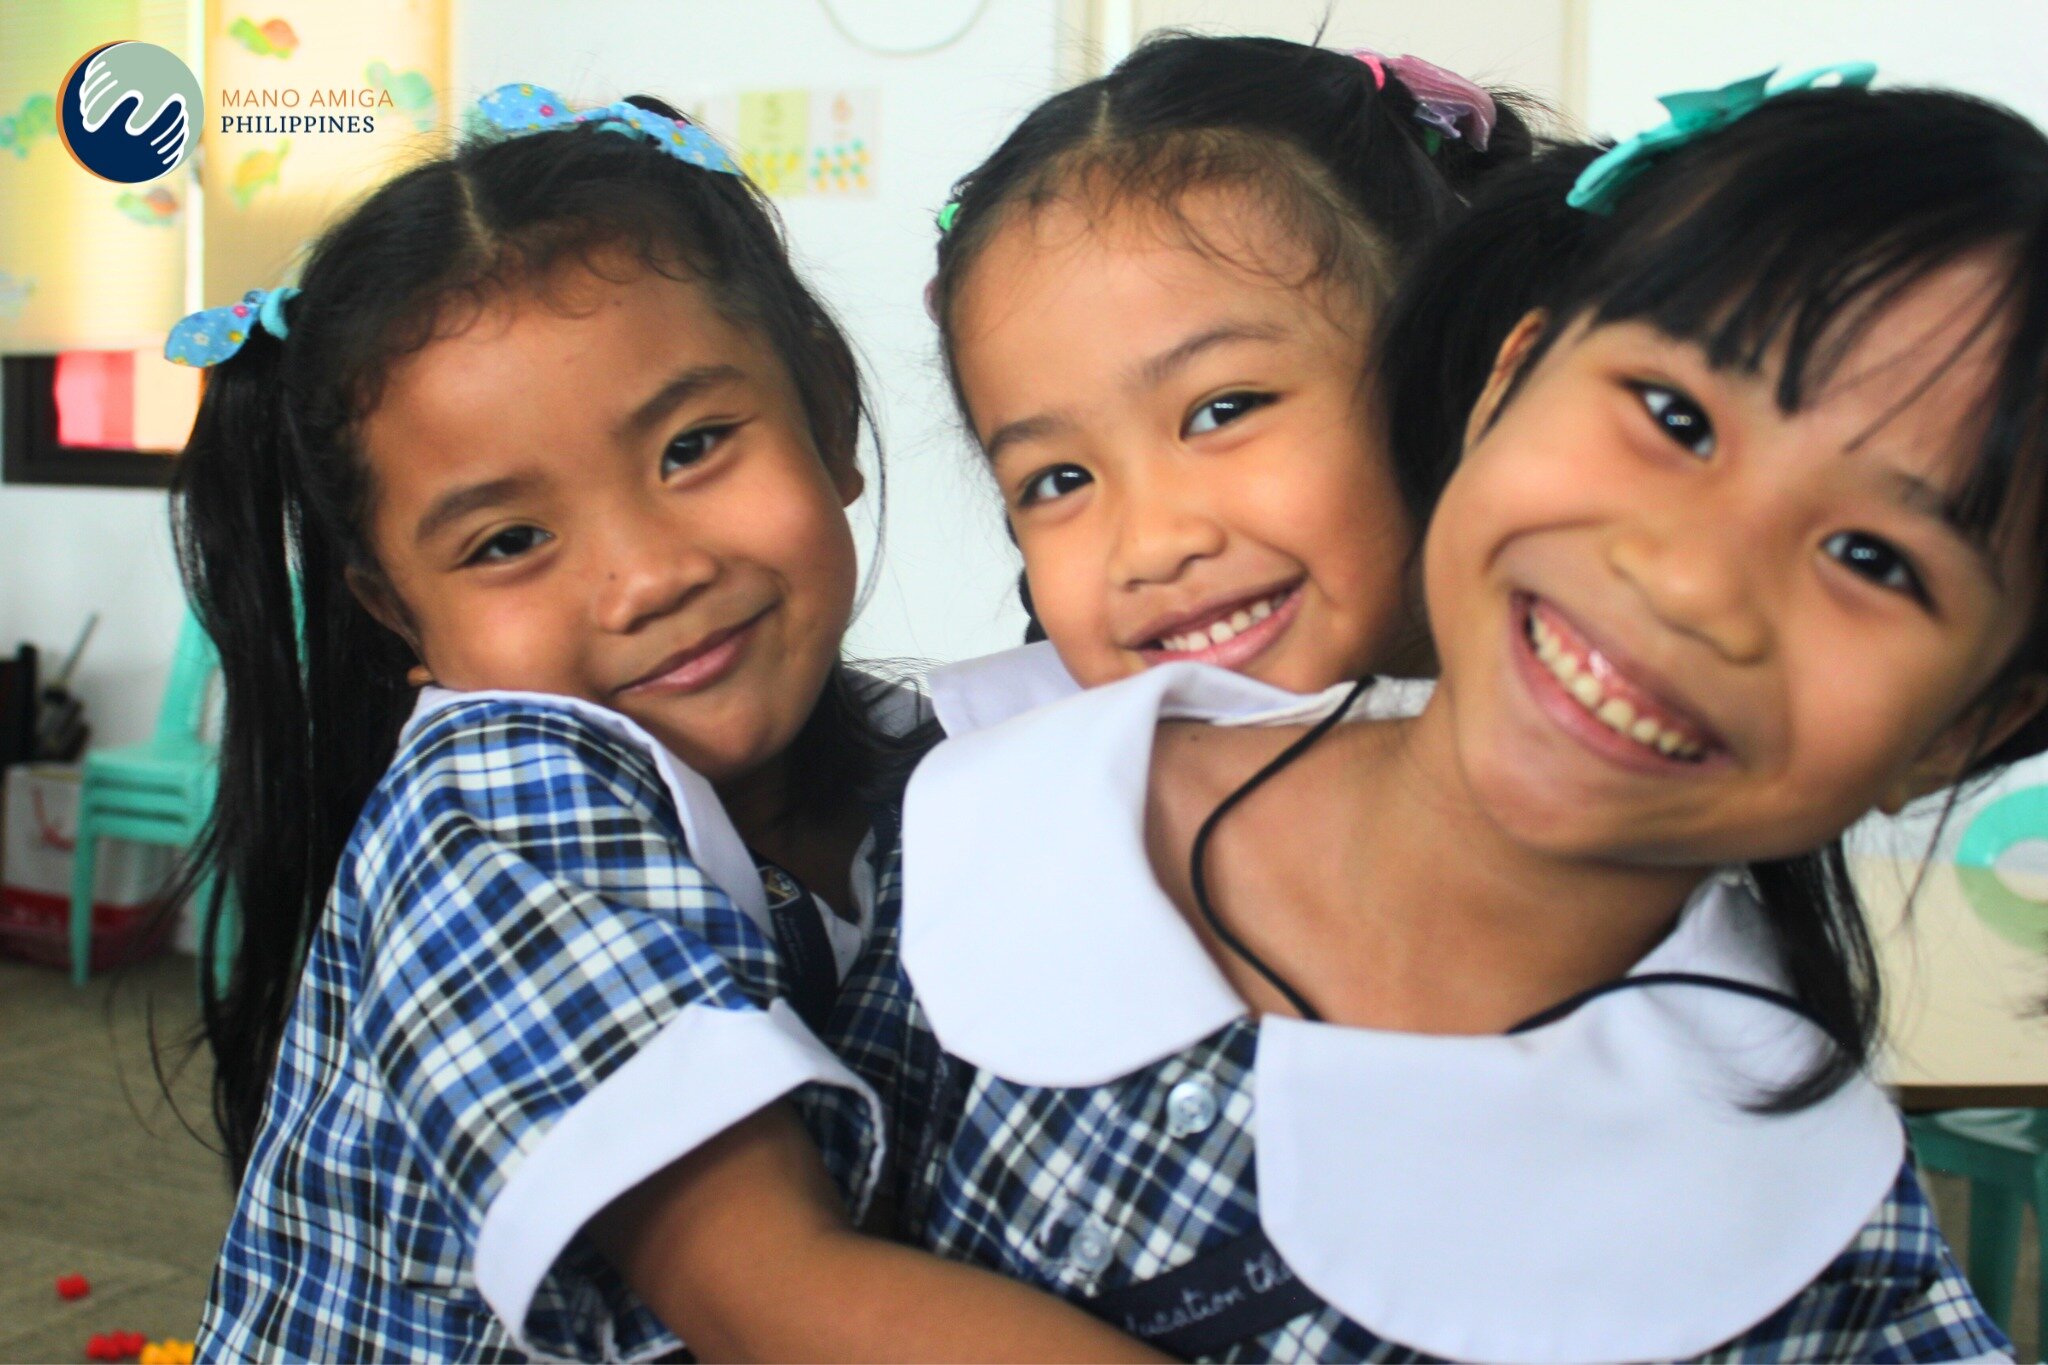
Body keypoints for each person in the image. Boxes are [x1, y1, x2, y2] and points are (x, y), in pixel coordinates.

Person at [847, 67, 2041, 1360]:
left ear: (1962, 730)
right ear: (1506, 384)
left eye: (1874, 560)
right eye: (1676, 415)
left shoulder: (1816, 1248)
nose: (1691, 581)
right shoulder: (993, 829)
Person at [176, 85, 1158, 1360]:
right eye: (510, 541)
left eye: (692, 446)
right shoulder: (489, 805)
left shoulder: (930, 769)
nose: (648, 574)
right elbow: (773, 1301)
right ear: (395, 615)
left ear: (826, 409)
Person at [923, 34, 1536, 721]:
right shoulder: (1013, 807)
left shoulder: (1635, 779)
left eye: (1224, 410)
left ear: (1461, 366)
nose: (1151, 545)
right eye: (1060, 480)